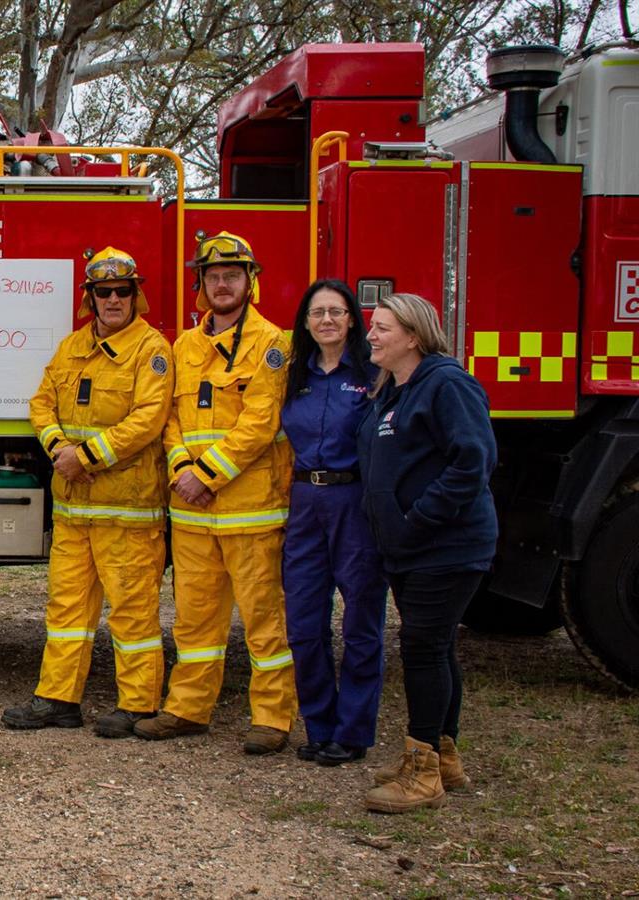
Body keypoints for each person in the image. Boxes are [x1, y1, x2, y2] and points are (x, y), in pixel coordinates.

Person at [2, 247, 173, 736]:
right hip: (76, 507)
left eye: (123, 291)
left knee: (132, 610)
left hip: (127, 510)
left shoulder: (151, 349)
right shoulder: (72, 347)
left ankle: (139, 704)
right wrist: (59, 447)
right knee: (67, 610)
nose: (114, 299)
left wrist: (87, 455)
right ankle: (58, 699)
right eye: (104, 292)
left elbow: (148, 419)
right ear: (90, 298)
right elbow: (42, 402)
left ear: (135, 295)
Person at [139, 231, 297, 754]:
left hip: (249, 510)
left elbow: (259, 423)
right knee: (194, 619)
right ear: (201, 287)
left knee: (263, 621)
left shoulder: (273, 344)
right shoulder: (185, 346)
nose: (223, 284)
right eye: (213, 277)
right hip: (193, 513)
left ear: (250, 281)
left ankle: (273, 717)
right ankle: (187, 708)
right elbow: (170, 419)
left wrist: (204, 475)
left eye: (232, 275)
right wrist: (183, 468)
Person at [359, 292, 497, 813]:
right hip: (412, 549)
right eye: (372, 326)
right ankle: (443, 756)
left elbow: (472, 462)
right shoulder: (393, 390)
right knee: (436, 648)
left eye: (383, 328)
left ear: (414, 336)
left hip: (445, 546)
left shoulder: (447, 384)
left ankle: (423, 774)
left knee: (420, 648)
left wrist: (418, 520)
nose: (371, 335)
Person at [279, 279, 386, 766]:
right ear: (305, 322)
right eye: (317, 312)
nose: (326, 320)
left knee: (362, 622)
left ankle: (353, 731)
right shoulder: (294, 376)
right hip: (304, 501)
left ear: (351, 320)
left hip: (353, 501)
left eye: (336, 312)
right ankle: (320, 726)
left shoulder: (372, 375)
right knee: (303, 624)